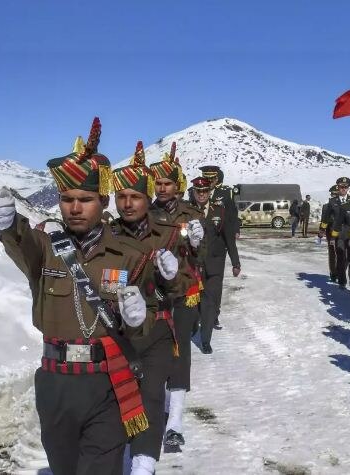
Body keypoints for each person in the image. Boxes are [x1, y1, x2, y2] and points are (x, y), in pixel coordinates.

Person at [0, 118, 155, 475]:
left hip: (106, 382)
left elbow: (146, 323)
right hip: (56, 382)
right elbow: (22, 240)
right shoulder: (46, 248)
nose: (75, 207)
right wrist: (7, 223)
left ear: (103, 201)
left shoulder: (130, 255)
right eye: (67, 199)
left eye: (85, 199)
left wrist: (140, 318)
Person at [111, 140, 187, 474]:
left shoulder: (168, 234)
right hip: (115, 331)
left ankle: (143, 466)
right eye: (121, 197)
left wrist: (172, 278)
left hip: (155, 327)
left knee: (151, 396)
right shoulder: (106, 234)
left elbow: (184, 282)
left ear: (147, 198)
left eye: (135, 197)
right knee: (117, 401)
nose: (127, 204)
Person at [149, 142, 203, 449]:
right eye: (158, 183)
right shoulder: (148, 212)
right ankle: (156, 406)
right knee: (156, 349)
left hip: (183, 292)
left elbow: (203, 255)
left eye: (167, 183)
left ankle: (175, 421)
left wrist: (197, 244)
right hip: (155, 291)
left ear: (177, 186)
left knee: (180, 349)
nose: (162, 188)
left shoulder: (191, 213)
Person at [190, 176, 241, 354]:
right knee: (195, 302)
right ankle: (194, 323)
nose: (202, 194)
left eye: (205, 191)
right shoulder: (187, 211)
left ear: (210, 192)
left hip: (215, 264)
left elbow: (228, 237)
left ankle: (205, 340)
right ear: (194, 192)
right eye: (198, 191)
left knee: (210, 302)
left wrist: (236, 262)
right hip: (193, 265)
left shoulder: (219, 211)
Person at [320, 177, 350, 282]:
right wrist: (322, 230)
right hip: (334, 232)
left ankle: (340, 272)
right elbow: (326, 218)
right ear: (338, 187)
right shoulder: (332, 202)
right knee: (334, 253)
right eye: (341, 187)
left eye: (345, 187)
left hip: (348, 232)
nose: (343, 189)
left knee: (346, 255)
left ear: (348, 188)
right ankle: (334, 273)